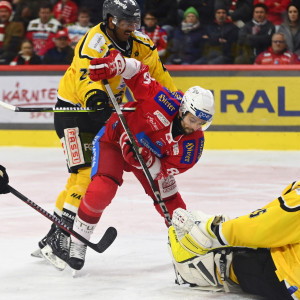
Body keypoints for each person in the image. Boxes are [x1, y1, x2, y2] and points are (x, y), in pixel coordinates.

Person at [34, 0, 178, 271]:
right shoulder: (93, 42)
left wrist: (173, 106)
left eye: (135, 22)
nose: (132, 28)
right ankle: (61, 237)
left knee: (78, 177)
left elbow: (158, 79)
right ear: (111, 20)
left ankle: (55, 236)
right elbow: (84, 75)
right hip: (74, 111)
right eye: (127, 22)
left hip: (102, 111)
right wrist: (95, 95)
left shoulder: (141, 44)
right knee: (87, 174)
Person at [62, 49, 214, 271]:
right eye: (193, 119)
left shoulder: (192, 146)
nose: (195, 127)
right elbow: (138, 72)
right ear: (182, 110)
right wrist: (118, 64)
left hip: (147, 158)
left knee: (170, 199)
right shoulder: (162, 100)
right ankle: (77, 242)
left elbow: (165, 173)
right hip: (114, 140)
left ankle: (186, 243)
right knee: (103, 188)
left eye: (202, 123)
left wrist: (148, 161)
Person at [169, 180, 300, 299]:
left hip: (289, 280)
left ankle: (212, 268)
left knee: (234, 254)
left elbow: (267, 225)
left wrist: (212, 231)